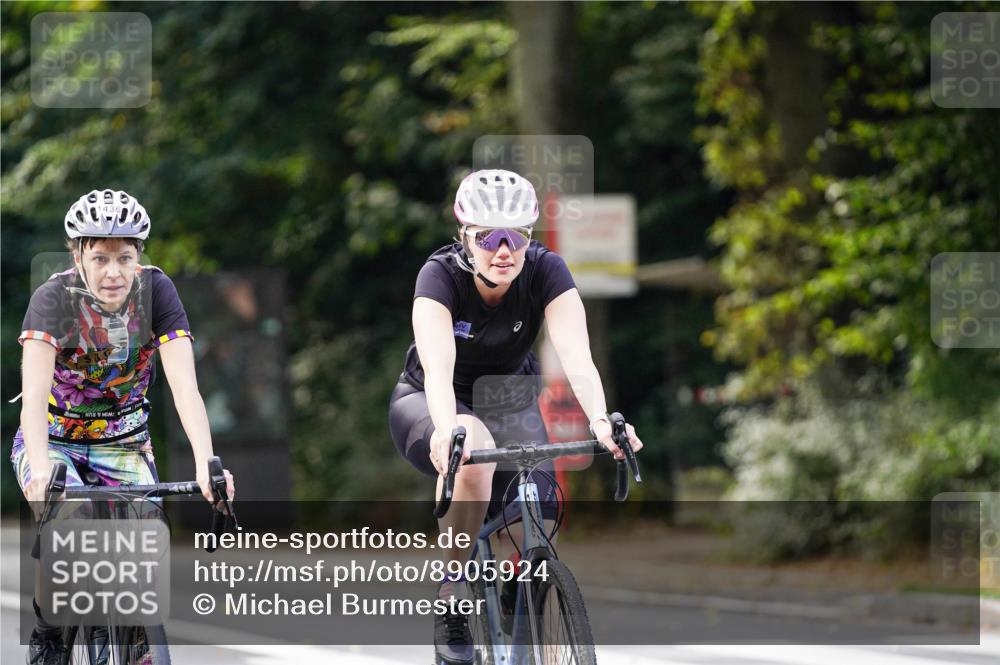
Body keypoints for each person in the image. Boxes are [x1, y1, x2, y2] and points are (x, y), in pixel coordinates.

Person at [388, 169, 643, 665]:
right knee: (474, 452)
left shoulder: (547, 271)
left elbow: (576, 356)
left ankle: (516, 583)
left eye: (517, 236)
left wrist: (601, 422)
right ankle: (453, 595)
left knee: (539, 508)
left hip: (509, 399)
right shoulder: (438, 277)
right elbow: (438, 370)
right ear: (464, 238)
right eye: (488, 237)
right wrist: (447, 429)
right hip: (429, 401)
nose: (503, 250)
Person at [13, 189, 235, 664]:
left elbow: (184, 389)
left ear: (140, 256)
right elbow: (32, 401)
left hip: (124, 440)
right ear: (78, 255)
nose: (113, 272)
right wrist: (36, 472)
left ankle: (138, 643)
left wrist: (206, 463)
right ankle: (49, 627)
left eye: (125, 257)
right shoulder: (52, 299)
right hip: (54, 441)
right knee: (67, 527)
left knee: (147, 530)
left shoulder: (157, 293)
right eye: (100, 258)